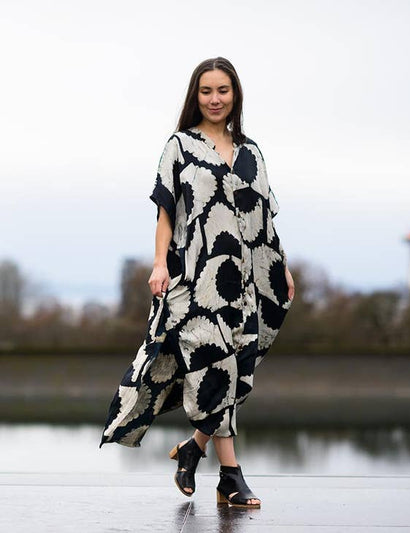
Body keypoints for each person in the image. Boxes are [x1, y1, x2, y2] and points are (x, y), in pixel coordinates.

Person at [99, 57, 295, 508]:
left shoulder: (252, 152)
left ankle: (197, 451)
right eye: (206, 91)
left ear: (235, 95)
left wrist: (280, 264)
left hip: (247, 282)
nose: (214, 99)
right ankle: (229, 473)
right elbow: (165, 210)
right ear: (195, 96)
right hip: (199, 279)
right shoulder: (179, 146)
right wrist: (158, 263)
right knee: (215, 367)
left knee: (237, 371)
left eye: (223, 90)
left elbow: (263, 217)